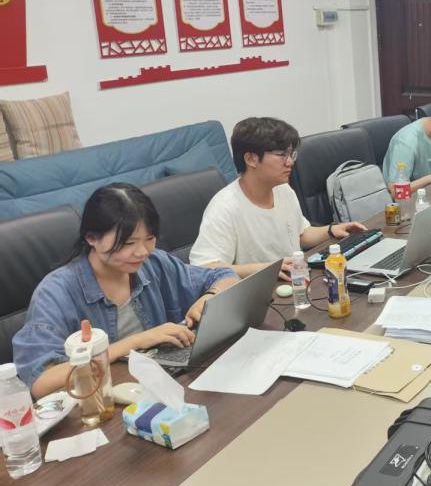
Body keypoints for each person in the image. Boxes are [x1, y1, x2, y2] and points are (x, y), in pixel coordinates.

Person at [13, 184, 239, 398]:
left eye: (149, 239)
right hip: (100, 402)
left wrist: (209, 297)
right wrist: (133, 343)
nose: (142, 252)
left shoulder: (154, 263)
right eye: (128, 243)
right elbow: (41, 382)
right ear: (91, 238)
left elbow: (224, 276)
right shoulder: (56, 292)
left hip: (159, 388)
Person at [189, 117, 366, 279]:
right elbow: (203, 268)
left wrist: (331, 230)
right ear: (251, 159)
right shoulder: (224, 207)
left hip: (295, 281)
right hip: (260, 293)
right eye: (282, 155)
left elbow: (300, 234)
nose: (290, 162)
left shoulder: (283, 189)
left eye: (291, 154)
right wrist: (265, 269)